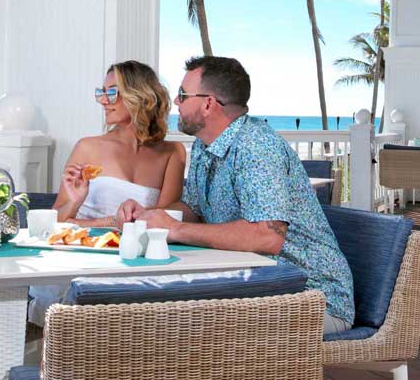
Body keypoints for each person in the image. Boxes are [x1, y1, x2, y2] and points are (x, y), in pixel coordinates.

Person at [117, 56, 354, 335]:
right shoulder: (205, 146)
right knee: (159, 315)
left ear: (208, 104)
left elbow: (267, 236)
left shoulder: (257, 147)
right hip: (258, 288)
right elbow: (193, 207)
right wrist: (149, 218)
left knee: (184, 328)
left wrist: (177, 229)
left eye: (182, 95)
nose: (176, 103)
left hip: (310, 299)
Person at [29, 60, 186, 327]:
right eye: (101, 92)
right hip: (79, 257)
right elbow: (53, 227)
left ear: (140, 96)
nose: (103, 100)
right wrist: (76, 202)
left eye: (112, 92)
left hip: (134, 261)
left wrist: (132, 226)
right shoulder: (88, 147)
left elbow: (164, 223)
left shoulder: (173, 153)